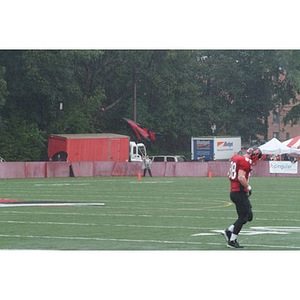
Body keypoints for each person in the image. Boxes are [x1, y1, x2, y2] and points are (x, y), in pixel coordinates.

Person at [221, 147, 262, 248]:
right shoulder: (245, 161)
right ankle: (232, 241)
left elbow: (229, 174)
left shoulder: (237, 158)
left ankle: (229, 231)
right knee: (243, 217)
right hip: (239, 192)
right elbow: (240, 177)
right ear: (255, 155)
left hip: (236, 192)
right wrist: (248, 187)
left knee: (249, 216)